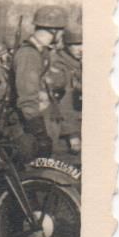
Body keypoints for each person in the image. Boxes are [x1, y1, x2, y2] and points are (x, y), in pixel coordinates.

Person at [12, 5, 68, 158]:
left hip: (41, 121)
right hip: (29, 128)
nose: (62, 35)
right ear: (54, 30)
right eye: (61, 30)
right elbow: (27, 98)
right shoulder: (29, 55)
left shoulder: (42, 53)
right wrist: (39, 134)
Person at [51, 24, 83, 154]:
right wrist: (73, 135)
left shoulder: (80, 63)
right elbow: (62, 103)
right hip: (68, 132)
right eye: (75, 45)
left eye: (82, 44)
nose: (80, 49)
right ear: (66, 45)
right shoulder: (60, 65)